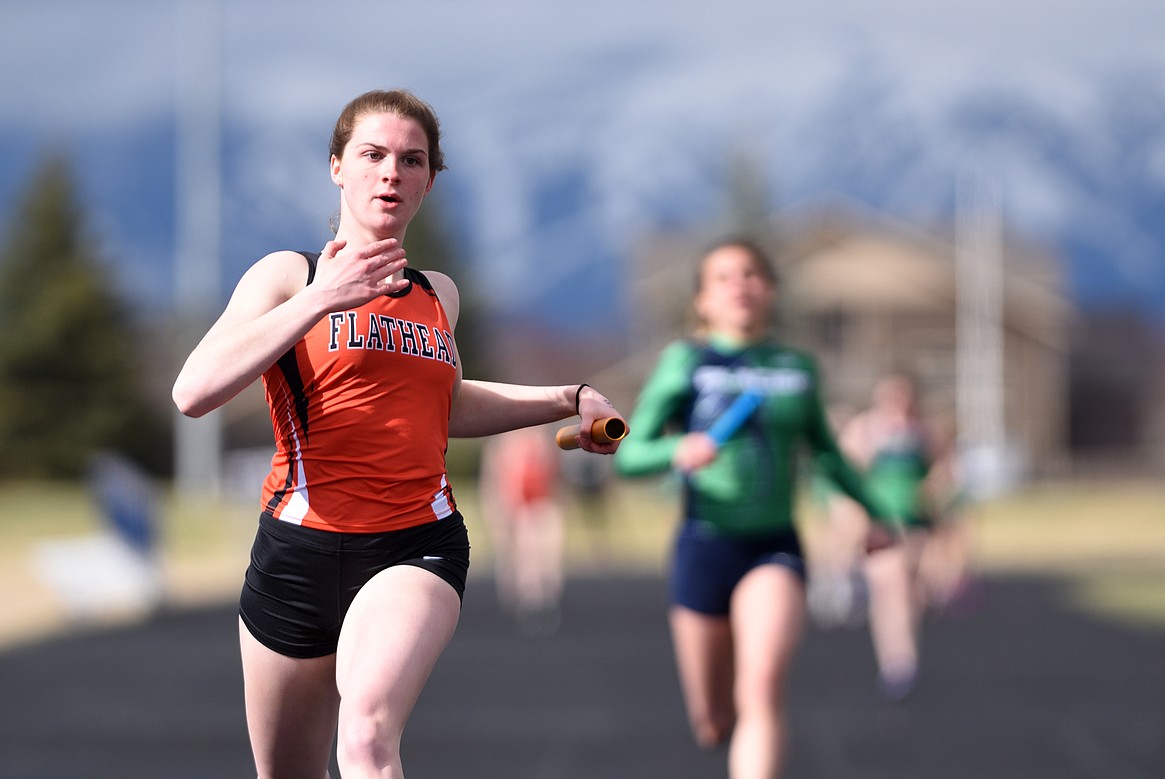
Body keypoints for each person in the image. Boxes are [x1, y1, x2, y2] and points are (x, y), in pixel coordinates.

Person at [171, 88, 626, 779]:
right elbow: (192, 392)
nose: (391, 172)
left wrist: (568, 398)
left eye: (411, 160)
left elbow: (443, 405)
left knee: (366, 739)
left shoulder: (437, 292)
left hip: (415, 543)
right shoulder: (287, 274)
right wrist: (324, 295)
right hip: (297, 547)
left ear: (429, 181)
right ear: (337, 166)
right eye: (373, 154)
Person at [613, 239, 894, 779]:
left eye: (752, 274)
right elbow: (630, 458)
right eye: (724, 277)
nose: (740, 285)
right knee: (714, 720)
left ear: (771, 290)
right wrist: (679, 450)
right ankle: (717, 721)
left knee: (761, 687)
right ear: (702, 301)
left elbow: (829, 456)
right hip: (703, 547)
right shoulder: (685, 362)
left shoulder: (797, 368)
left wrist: (878, 512)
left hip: (774, 547)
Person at [833, 371, 956, 700]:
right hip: (880, 525)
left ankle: (902, 652)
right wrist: (852, 523)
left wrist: (931, 490)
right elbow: (846, 473)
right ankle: (898, 660)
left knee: (910, 592)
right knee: (892, 587)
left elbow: (944, 467)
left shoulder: (923, 431)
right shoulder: (866, 429)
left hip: (915, 523)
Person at [478, 424, 566, 634]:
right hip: (514, 505)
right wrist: (496, 506)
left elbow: (554, 477)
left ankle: (543, 598)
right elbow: (494, 479)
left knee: (544, 552)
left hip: (538, 503)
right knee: (517, 556)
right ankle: (522, 600)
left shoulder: (541, 444)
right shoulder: (503, 445)